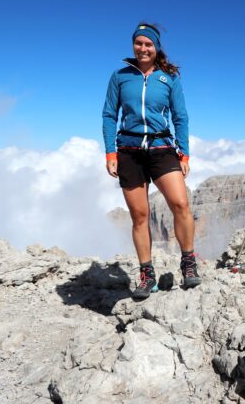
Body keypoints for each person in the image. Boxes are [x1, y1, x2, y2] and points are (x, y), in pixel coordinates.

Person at [102, 23, 202, 299]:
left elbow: (180, 117)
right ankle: (147, 276)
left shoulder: (169, 78)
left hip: (161, 148)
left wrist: (184, 153)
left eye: (148, 44)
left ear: (156, 48)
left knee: (181, 204)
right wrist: (110, 153)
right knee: (139, 216)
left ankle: (188, 264)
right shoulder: (120, 76)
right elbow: (109, 115)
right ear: (133, 45)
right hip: (129, 151)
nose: (143, 48)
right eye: (139, 43)